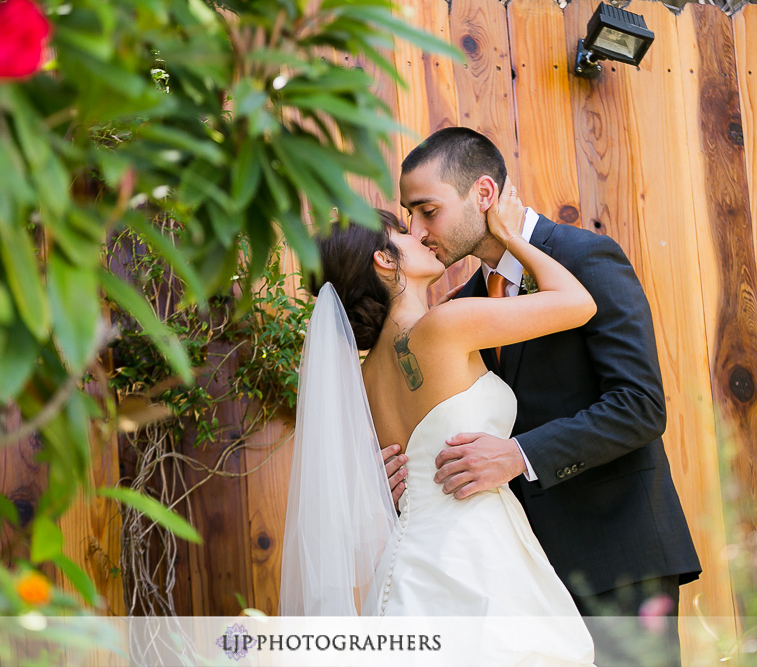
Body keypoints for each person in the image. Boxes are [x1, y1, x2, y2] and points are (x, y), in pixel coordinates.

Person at [386, 126, 701, 664]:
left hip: (617, 557)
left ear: (483, 195)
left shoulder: (585, 256)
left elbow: (639, 405)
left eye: (427, 211)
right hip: (521, 577)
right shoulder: (462, 305)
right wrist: (402, 469)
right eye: (408, 215)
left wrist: (519, 455)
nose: (417, 230)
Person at [280, 183, 596, 664]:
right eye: (404, 235)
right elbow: (578, 303)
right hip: (478, 556)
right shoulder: (449, 324)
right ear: (386, 261)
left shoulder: (362, 381)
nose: (420, 237)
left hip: (407, 565)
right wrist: (513, 238)